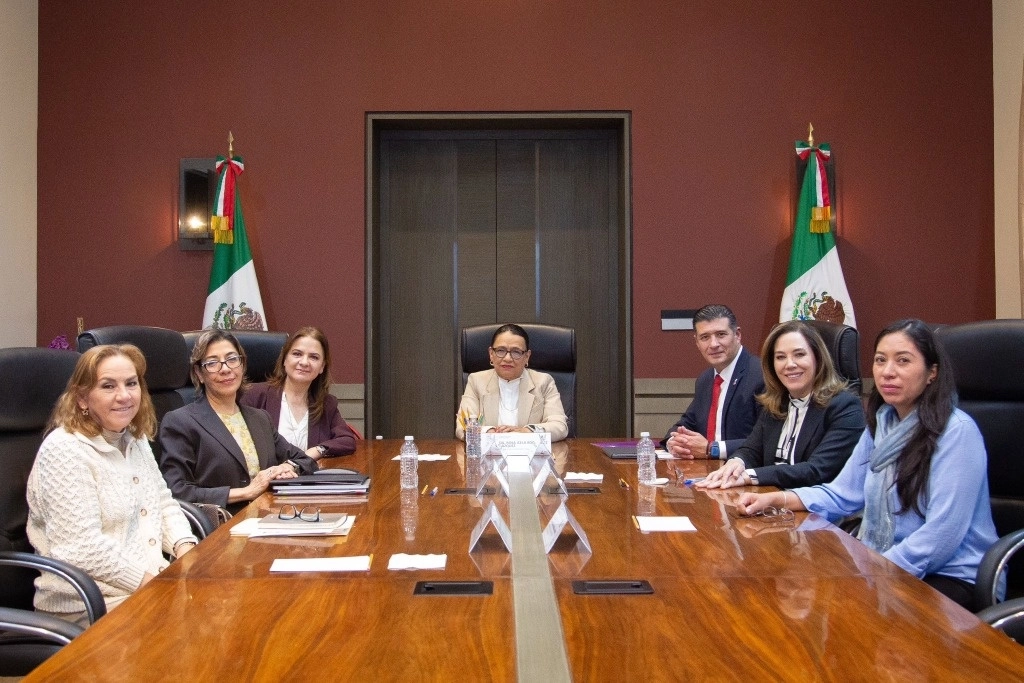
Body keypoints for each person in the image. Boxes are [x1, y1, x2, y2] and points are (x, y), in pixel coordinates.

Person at [738, 319, 1001, 610]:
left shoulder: (956, 433)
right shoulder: (881, 425)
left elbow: (941, 535)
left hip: (951, 574)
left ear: (932, 373)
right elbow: (842, 493)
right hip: (886, 562)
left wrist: (874, 573)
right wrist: (779, 499)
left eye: (903, 361)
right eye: (880, 360)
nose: (888, 371)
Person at [26, 344, 198, 626]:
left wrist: (186, 549)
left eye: (131, 383)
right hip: (89, 604)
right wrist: (156, 584)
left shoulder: (134, 437)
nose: (124, 395)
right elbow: (81, 548)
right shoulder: (64, 449)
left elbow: (163, 502)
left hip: (149, 586)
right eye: (108, 386)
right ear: (82, 398)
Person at [158, 329, 317, 513]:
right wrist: (246, 492)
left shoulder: (260, 418)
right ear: (199, 373)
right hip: (221, 523)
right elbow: (177, 491)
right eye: (212, 363)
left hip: (269, 517)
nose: (226, 369)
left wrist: (284, 468)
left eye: (232, 359)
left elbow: (304, 460)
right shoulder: (180, 422)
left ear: (242, 365)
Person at [697, 320, 864, 490]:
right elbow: (751, 450)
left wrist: (748, 476)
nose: (789, 364)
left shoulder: (845, 407)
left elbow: (816, 470)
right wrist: (736, 462)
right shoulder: (776, 403)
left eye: (799, 354)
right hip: (771, 500)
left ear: (818, 358)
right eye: (780, 357)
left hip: (814, 505)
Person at [662, 304, 765, 460]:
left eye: (721, 334)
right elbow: (685, 424)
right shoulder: (705, 379)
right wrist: (673, 442)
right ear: (697, 342)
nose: (713, 344)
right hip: (707, 470)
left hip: (746, 469)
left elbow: (767, 440)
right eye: (705, 337)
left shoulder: (761, 375)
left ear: (737, 335)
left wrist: (713, 449)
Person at [240, 326, 357, 462]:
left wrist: (317, 451)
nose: (304, 362)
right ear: (284, 359)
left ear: (322, 367)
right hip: (265, 474)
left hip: (306, 475)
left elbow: (347, 440)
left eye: (314, 357)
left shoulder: (326, 404)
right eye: (297, 354)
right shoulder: (253, 396)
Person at [455, 323, 568, 441]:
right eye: (500, 350)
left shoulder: (544, 382)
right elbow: (462, 427)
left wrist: (527, 431)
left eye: (516, 352)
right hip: (490, 451)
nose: (508, 358)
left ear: (527, 356)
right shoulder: (476, 381)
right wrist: (489, 432)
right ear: (491, 354)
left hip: (529, 451)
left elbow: (559, 426)